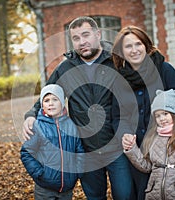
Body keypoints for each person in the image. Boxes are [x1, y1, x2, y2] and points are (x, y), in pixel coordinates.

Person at [22, 16, 133, 199]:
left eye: (86, 35)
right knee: (95, 197)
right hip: (86, 150)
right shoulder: (65, 69)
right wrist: (31, 115)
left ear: (98, 34)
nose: (82, 42)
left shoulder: (115, 63)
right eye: (76, 38)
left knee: (125, 195)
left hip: (116, 147)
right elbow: (47, 94)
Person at [111, 26, 175, 199]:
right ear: (121, 52)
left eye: (138, 44)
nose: (134, 50)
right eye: (128, 46)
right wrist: (124, 134)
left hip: (166, 150)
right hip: (137, 153)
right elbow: (118, 116)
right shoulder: (119, 80)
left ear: (146, 45)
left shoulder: (164, 69)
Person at [20, 84, 84, 200]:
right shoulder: (38, 126)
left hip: (67, 187)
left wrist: (76, 172)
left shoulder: (71, 125)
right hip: (45, 188)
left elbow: (79, 150)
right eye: (46, 100)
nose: (50, 103)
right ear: (42, 104)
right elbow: (26, 153)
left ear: (62, 103)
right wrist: (40, 174)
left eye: (55, 99)